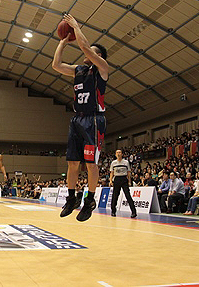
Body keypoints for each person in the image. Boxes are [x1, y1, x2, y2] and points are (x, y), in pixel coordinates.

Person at [52, 14, 108, 222]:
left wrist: (76, 27)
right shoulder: (79, 70)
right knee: (72, 163)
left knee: (91, 164)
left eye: (92, 50)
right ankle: (72, 198)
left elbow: (85, 47)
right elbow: (56, 65)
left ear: (99, 55)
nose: (86, 51)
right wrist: (62, 42)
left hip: (94, 120)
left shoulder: (102, 68)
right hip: (77, 119)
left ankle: (90, 200)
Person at [109, 149, 137, 218]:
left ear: (122, 154)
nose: (118, 154)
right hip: (116, 179)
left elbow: (128, 172)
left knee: (128, 195)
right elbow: (111, 173)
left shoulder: (126, 162)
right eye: (117, 152)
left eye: (120, 152)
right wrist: (110, 181)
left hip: (124, 179)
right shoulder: (113, 163)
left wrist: (129, 181)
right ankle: (113, 211)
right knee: (115, 196)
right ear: (115, 154)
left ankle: (134, 212)